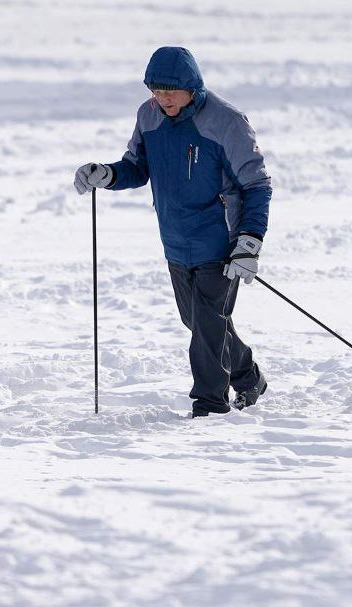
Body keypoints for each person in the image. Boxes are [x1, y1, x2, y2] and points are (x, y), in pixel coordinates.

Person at [73, 46, 272, 417]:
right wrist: (109, 174)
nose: (161, 98)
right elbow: (137, 166)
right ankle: (247, 377)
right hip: (176, 240)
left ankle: (210, 406)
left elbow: (257, 185)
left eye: (169, 91)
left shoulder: (227, 121)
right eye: (155, 90)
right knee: (197, 322)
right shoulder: (148, 116)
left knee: (209, 325)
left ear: (192, 87)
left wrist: (249, 242)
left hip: (221, 242)